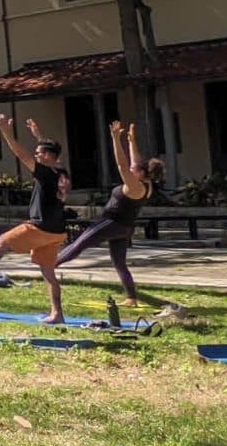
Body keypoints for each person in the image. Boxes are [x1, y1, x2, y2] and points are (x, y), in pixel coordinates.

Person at [0, 115, 70, 322]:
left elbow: (19, 153)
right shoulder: (60, 170)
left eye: (39, 152)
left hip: (41, 227)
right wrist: (38, 135)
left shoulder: (45, 173)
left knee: (3, 241)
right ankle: (57, 314)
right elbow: (51, 153)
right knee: (48, 273)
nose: (36, 155)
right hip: (57, 231)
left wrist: (5, 130)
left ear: (48, 156)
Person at [54, 120, 160, 306]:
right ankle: (131, 297)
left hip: (111, 223)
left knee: (80, 242)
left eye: (134, 169)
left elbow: (121, 163)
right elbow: (134, 161)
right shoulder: (146, 183)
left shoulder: (134, 186)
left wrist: (115, 139)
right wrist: (131, 141)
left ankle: (49, 266)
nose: (131, 168)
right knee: (119, 263)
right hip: (124, 228)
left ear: (140, 174)